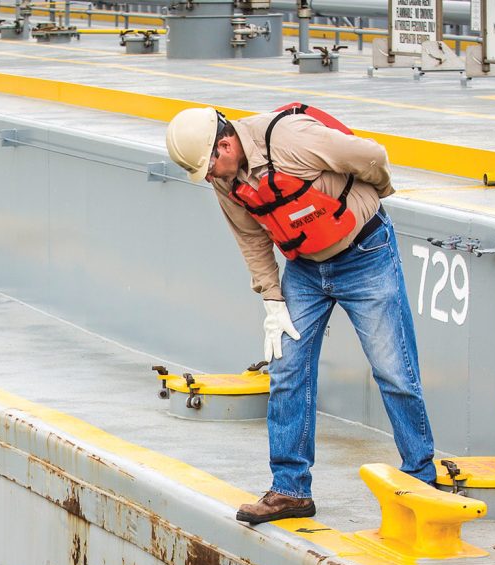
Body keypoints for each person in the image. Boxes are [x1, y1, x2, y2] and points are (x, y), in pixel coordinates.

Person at [165, 105, 437, 525]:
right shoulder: (226, 178)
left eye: (210, 167)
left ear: (225, 143)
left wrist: (375, 195)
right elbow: (251, 238)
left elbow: (371, 157)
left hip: (365, 255)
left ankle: (421, 480)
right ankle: (290, 490)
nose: (211, 178)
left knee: (393, 370)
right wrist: (272, 299)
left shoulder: (292, 138)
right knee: (288, 371)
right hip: (305, 269)